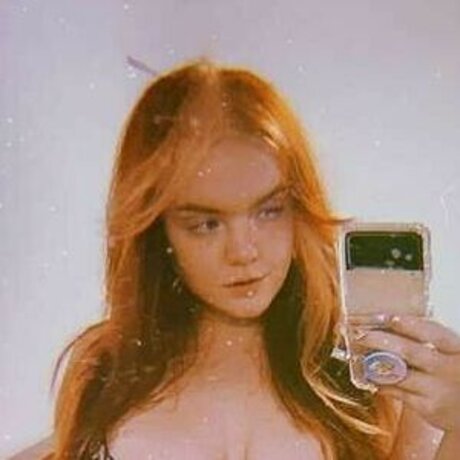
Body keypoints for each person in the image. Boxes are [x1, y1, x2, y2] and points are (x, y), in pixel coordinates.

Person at [13, 57, 460, 460]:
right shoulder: (107, 373)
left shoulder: (368, 377)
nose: (244, 252)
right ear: (157, 230)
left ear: (299, 207)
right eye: (206, 224)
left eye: (270, 210)